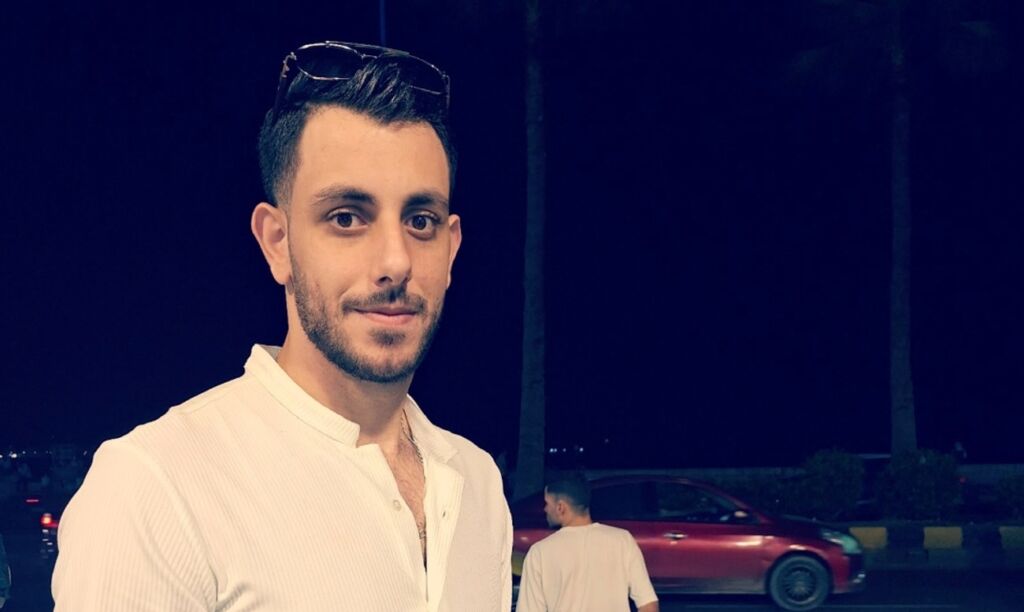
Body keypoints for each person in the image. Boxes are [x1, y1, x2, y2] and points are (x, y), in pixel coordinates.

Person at [52, 41, 512, 611]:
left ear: (452, 247)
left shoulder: (477, 482)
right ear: (277, 242)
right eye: (347, 217)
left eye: (421, 221)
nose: (396, 261)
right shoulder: (158, 489)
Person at [516, 477, 658, 612]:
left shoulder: (540, 552)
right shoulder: (622, 540)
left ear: (560, 507)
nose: (545, 509)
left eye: (547, 503)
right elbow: (648, 604)